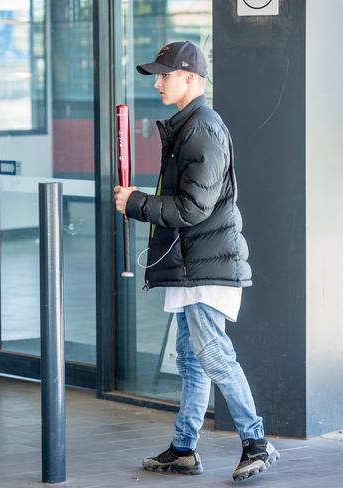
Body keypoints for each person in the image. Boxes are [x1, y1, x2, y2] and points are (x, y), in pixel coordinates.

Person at [113, 41, 279, 482]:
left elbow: (192, 208)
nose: (159, 81)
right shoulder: (188, 127)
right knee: (191, 358)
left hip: (207, 266)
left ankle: (256, 442)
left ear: (192, 78)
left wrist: (136, 203)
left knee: (212, 354)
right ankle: (184, 448)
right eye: (158, 74)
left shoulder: (202, 129)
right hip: (193, 264)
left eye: (166, 74)